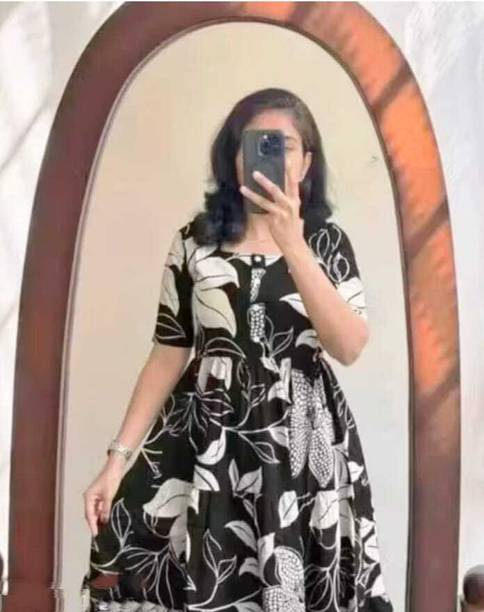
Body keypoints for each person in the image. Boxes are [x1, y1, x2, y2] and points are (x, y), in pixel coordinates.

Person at [81, 87, 394, 611]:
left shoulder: (326, 242)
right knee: (174, 559)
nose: (269, 155)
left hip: (300, 443)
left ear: (307, 162)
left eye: (283, 145)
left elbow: (348, 346)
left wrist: (292, 243)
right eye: (254, 143)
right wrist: (116, 461)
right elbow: (168, 351)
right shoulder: (194, 240)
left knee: (291, 575)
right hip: (206, 437)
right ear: (233, 157)